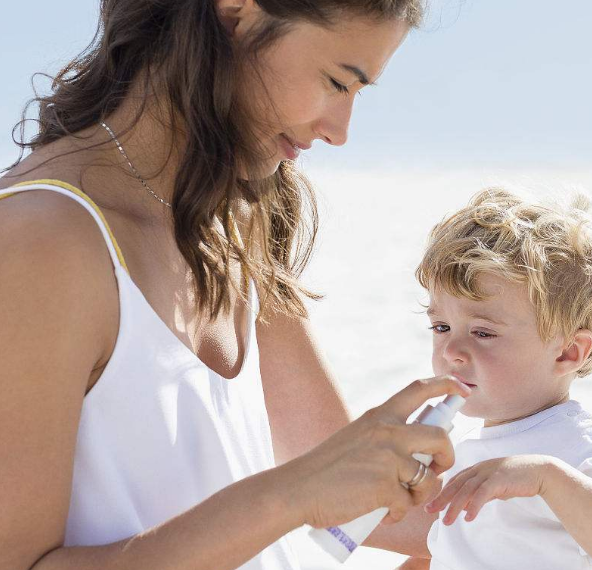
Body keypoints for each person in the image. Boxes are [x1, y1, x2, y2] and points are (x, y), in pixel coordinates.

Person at [0, 1, 471, 569]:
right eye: (336, 82)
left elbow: (358, 494)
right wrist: (293, 495)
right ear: (235, 13)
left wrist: (562, 488)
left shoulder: (237, 219)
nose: (340, 131)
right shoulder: (42, 242)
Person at [397, 188, 592, 570]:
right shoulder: (467, 452)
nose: (451, 351)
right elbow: (448, 554)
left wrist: (547, 479)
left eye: (483, 332)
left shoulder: (581, 446)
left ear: (568, 352)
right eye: (441, 326)